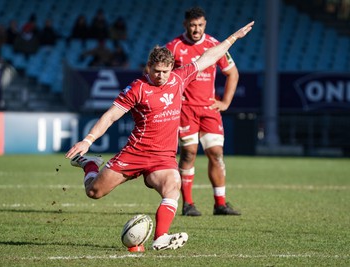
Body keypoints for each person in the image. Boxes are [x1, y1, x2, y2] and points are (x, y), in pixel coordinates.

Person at [65, 21, 254, 250]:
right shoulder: (137, 88)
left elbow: (209, 57)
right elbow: (110, 116)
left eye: (165, 71)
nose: (161, 76)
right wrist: (88, 141)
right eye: (156, 71)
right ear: (148, 67)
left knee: (172, 186)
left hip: (163, 158)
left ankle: (161, 237)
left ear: (172, 67)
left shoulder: (179, 78)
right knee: (94, 192)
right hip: (135, 153)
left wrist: (233, 38)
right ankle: (90, 164)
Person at [165, 6, 241, 216]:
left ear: (205, 24)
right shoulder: (174, 47)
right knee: (189, 153)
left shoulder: (215, 45)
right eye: (192, 25)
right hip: (185, 110)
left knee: (216, 153)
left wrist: (225, 102)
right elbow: (157, 73)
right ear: (185, 25)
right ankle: (188, 204)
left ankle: (220, 203)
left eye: (200, 25)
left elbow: (232, 74)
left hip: (209, 109)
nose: (196, 29)